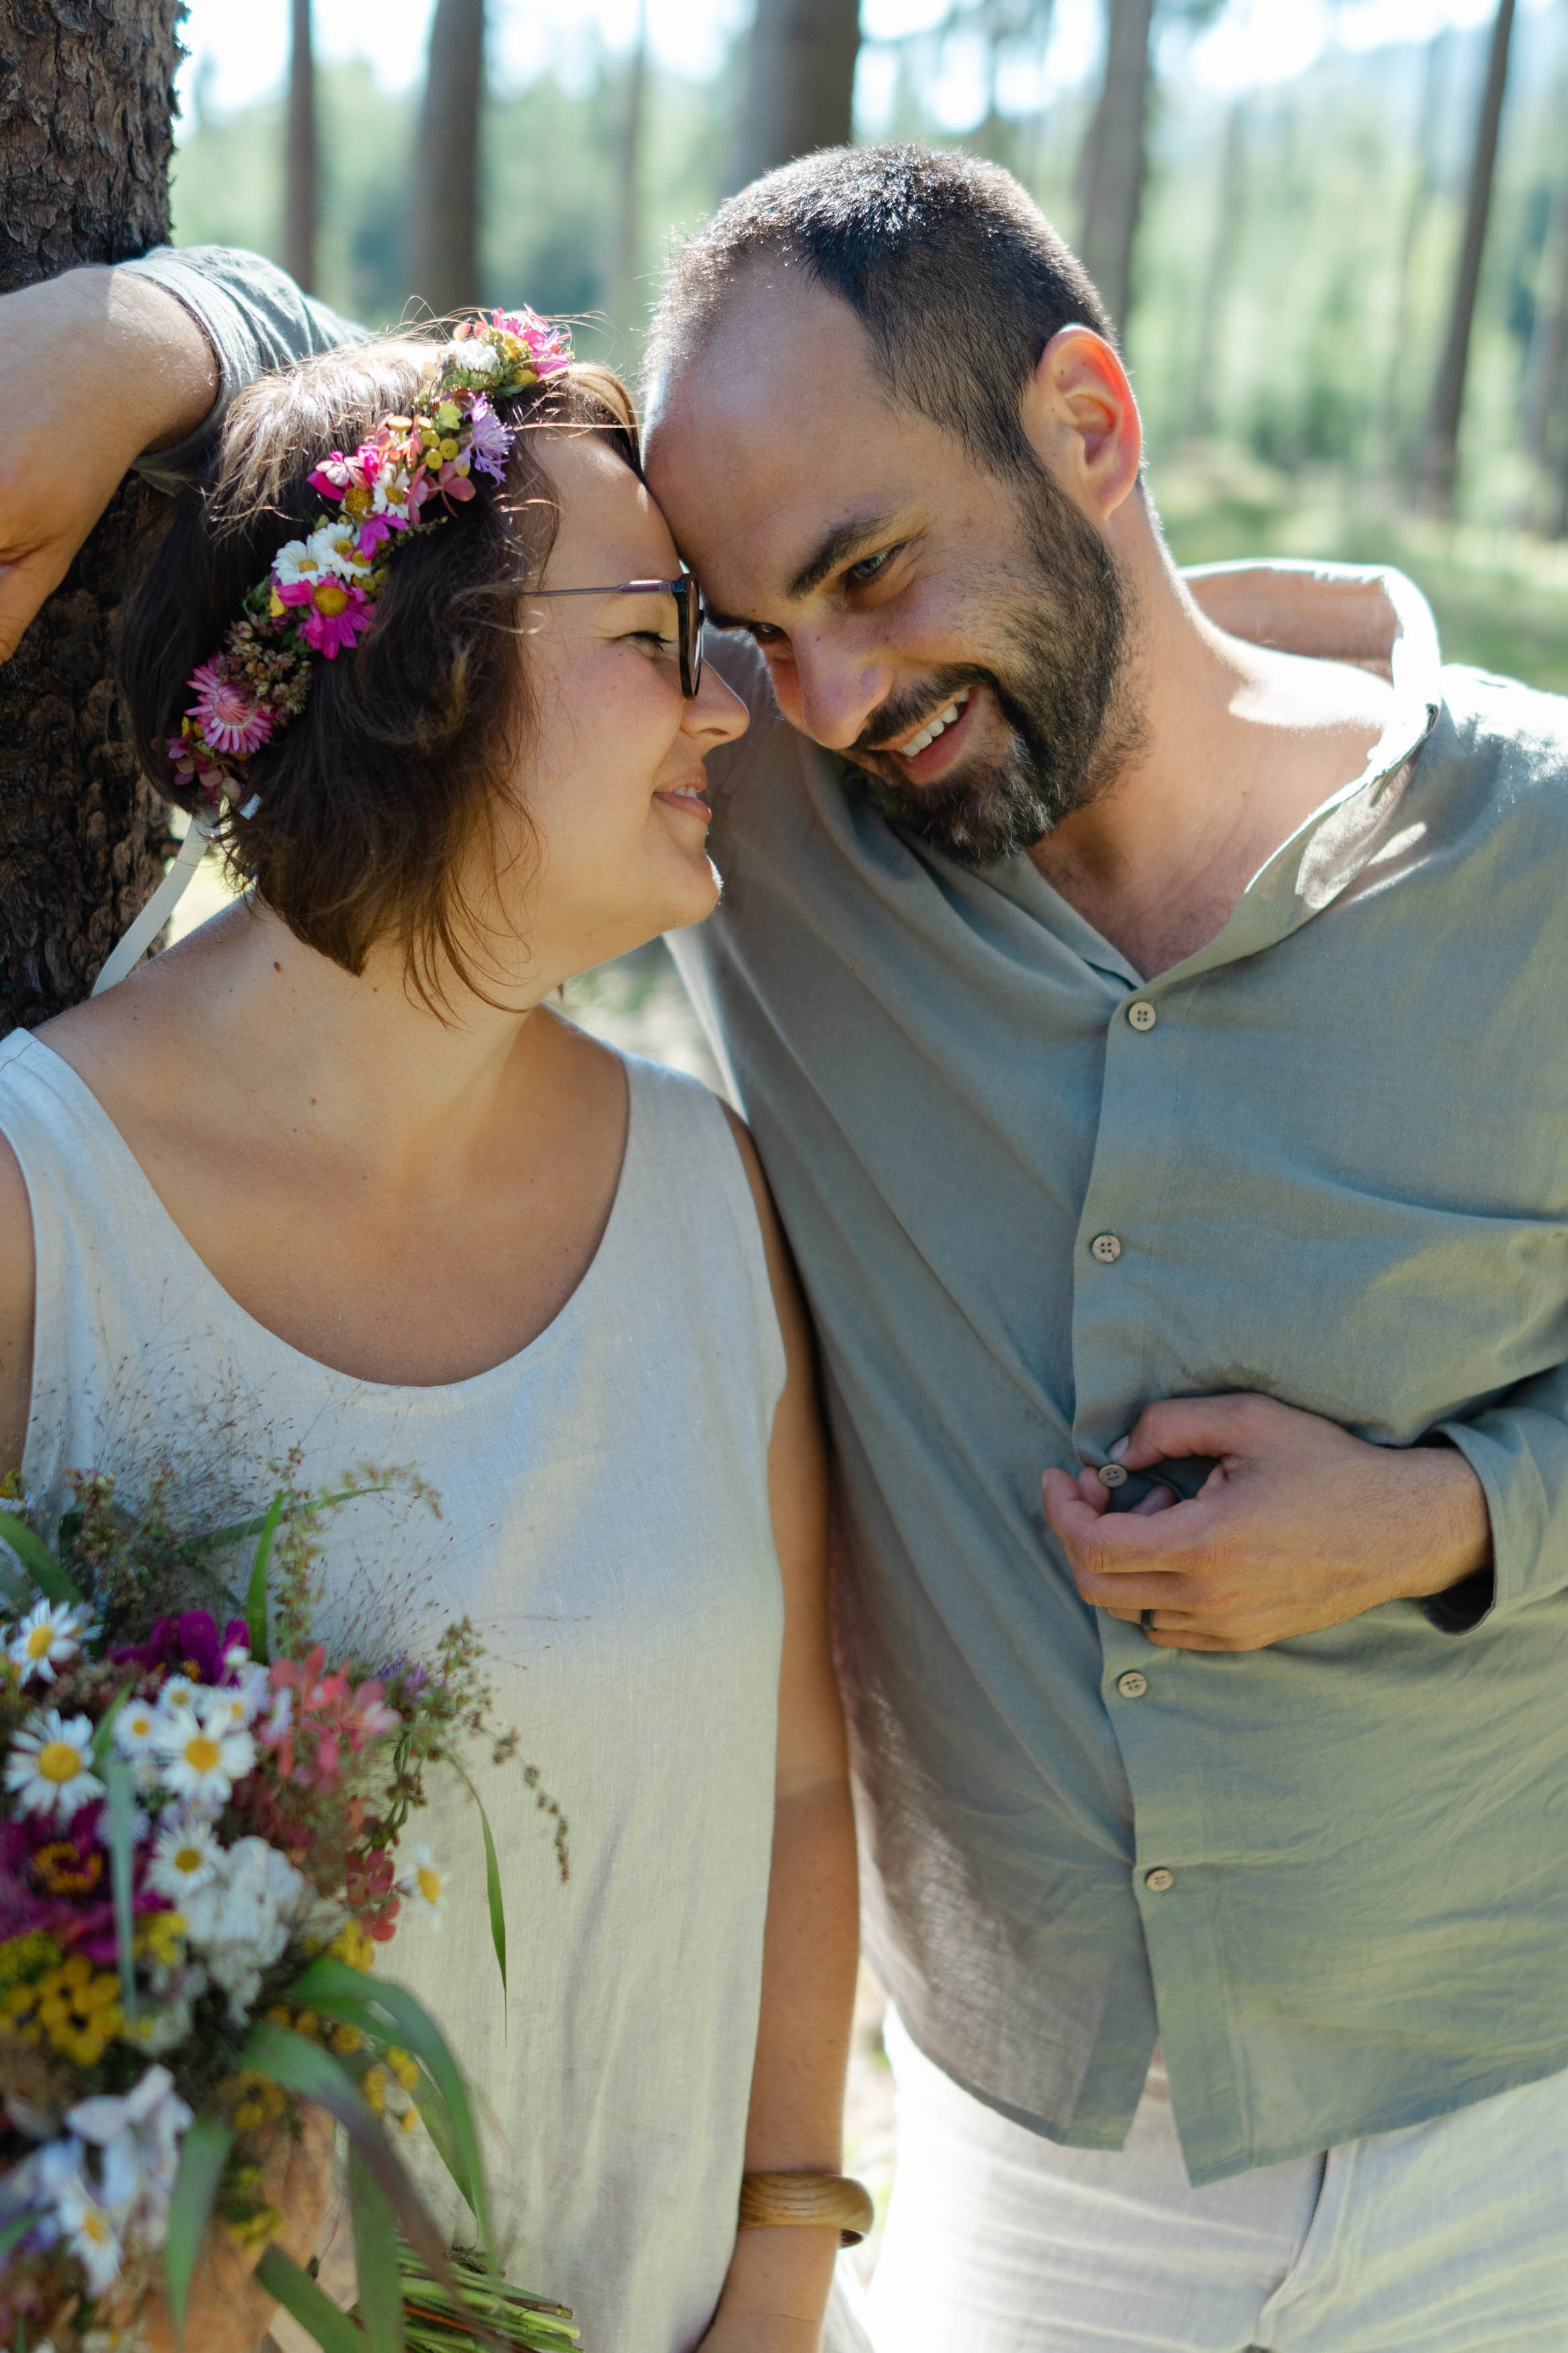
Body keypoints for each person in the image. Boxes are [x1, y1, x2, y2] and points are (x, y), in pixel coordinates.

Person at [4, 137, 1568, 2348]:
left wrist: (1451, 1511)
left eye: (871, 568)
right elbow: (404, 535)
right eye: (742, 627)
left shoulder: (1543, 853)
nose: (813, 698)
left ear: (1092, 427)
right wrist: (137, 329)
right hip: (1048, 2178)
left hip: (1524, 2125)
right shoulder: (767, 793)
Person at [0, 316, 861, 2353]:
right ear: (428, 667)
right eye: (657, 624)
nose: (728, 704)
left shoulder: (710, 1196)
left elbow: (803, 1782)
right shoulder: (41, 1214)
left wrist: (782, 2270)